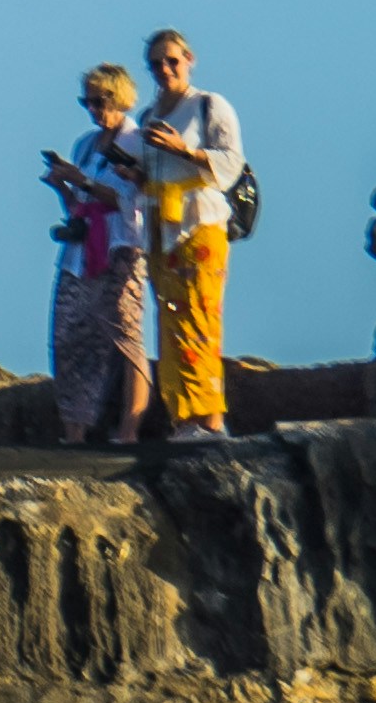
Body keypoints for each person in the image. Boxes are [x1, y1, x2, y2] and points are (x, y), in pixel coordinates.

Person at [129, 28, 247, 435]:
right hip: (161, 227)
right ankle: (182, 417)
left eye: (172, 61)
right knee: (170, 320)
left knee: (200, 316)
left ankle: (210, 418)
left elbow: (231, 163)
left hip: (199, 223)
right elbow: (150, 171)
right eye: (156, 64)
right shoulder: (148, 116)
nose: (165, 70)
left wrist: (185, 150)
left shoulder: (208, 105)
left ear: (189, 60)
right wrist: (134, 173)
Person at [42, 64, 155, 443]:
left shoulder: (136, 142)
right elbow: (79, 205)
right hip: (81, 248)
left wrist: (83, 181)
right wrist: (63, 186)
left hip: (121, 246)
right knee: (69, 335)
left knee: (124, 333)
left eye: (99, 101)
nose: (93, 109)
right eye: (87, 102)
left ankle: (129, 429)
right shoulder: (85, 145)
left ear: (119, 97)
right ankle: (74, 430)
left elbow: (129, 198)